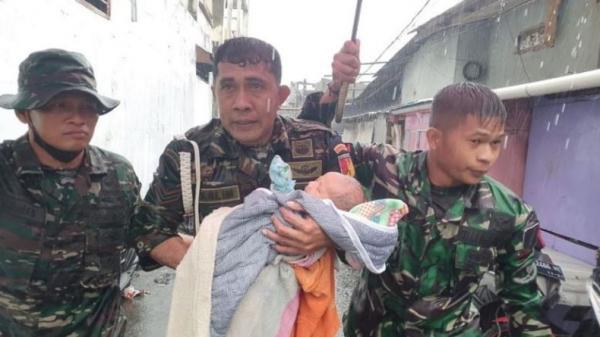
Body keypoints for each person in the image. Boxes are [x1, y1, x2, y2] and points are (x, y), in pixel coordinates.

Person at [0, 49, 190, 337]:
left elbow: (150, 235)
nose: (79, 118)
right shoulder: (5, 174)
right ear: (24, 112)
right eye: (60, 105)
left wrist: (225, 260)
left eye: (88, 107)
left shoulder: (117, 174)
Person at [341, 82, 553, 337]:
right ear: (434, 138)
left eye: (496, 143)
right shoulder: (385, 171)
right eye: (476, 141)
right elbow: (323, 155)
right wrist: (336, 89)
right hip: (372, 329)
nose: (487, 156)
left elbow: (524, 303)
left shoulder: (509, 213)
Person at [144, 37, 361, 256]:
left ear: (280, 96)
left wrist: (326, 235)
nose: (241, 104)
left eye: (255, 86)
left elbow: (360, 221)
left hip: (305, 287)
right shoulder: (187, 154)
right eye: (228, 87)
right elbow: (148, 232)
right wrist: (210, 272)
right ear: (214, 93)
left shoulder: (320, 143)